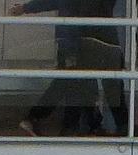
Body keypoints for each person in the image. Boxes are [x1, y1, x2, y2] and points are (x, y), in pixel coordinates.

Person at [12, 0, 125, 136]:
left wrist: (25, 8)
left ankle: (80, 125)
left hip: (76, 37)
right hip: (96, 37)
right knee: (99, 83)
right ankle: (112, 126)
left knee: (75, 82)